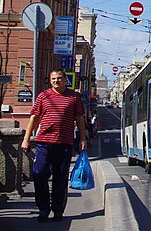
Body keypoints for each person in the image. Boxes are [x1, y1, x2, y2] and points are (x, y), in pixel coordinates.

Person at [21, 69, 88, 223]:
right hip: (43, 142)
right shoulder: (43, 96)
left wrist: (82, 139)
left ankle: (58, 210)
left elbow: (79, 119)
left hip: (64, 143)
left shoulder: (74, 97)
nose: (56, 81)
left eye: (59, 78)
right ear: (50, 81)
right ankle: (43, 208)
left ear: (65, 80)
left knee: (60, 178)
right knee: (39, 173)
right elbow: (34, 118)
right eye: (53, 79)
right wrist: (26, 139)